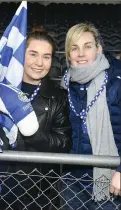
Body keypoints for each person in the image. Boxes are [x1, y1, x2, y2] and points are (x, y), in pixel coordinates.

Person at [0, 28, 72, 210]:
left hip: (38, 191)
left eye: (46, 56)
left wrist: (32, 135)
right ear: (21, 54)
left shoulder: (58, 96)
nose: (39, 63)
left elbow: (64, 142)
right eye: (33, 54)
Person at [61, 23, 121, 209]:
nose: (81, 54)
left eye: (87, 46)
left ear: (99, 49)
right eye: (74, 48)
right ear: (68, 54)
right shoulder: (65, 86)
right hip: (71, 179)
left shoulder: (116, 82)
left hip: (111, 178)